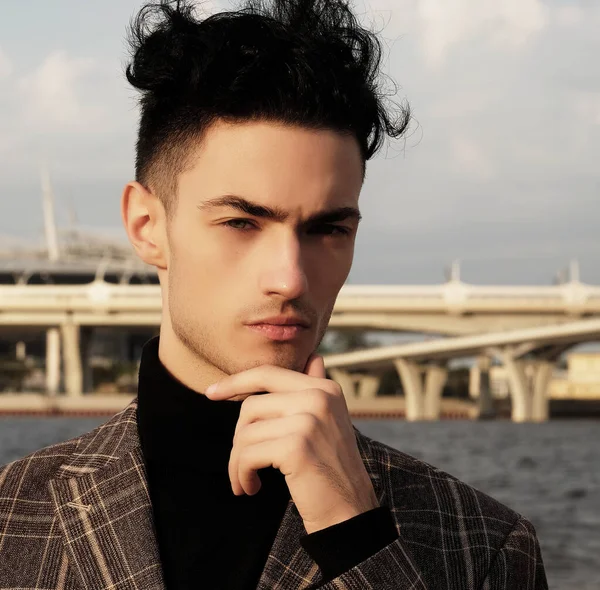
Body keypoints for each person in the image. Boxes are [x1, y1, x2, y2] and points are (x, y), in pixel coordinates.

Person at [0, 1, 548, 588]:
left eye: (328, 229)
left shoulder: (485, 542)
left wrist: (354, 536)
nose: (290, 278)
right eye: (241, 223)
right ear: (146, 226)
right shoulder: (11, 518)